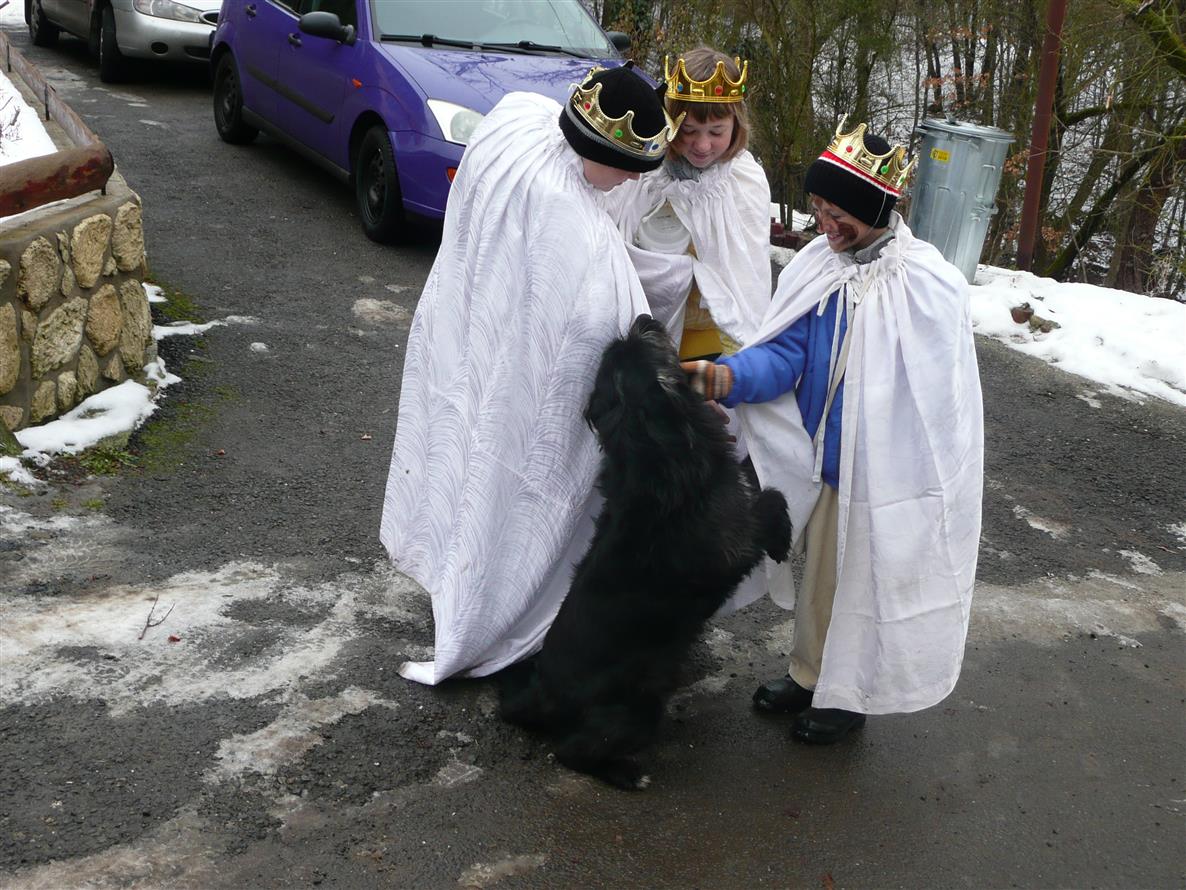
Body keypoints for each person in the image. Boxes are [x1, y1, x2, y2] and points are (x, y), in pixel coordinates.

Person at [380, 65, 685, 686]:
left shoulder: (518, 120)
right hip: (520, 379)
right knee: (512, 480)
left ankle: (454, 570)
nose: (632, 181)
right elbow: (594, 329)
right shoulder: (569, 218)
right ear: (596, 152)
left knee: (463, 454)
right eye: (627, 168)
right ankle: (491, 614)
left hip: (472, 330)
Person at [682, 117, 984, 743]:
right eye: (817, 208)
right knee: (821, 579)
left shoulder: (929, 285)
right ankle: (810, 674)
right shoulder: (820, 266)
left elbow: (940, 403)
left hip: (888, 478)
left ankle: (850, 697)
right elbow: (785, 352)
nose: (823, 223)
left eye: (836, 212)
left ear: (874, 210)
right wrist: (726, 377)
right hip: (824, 464)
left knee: (866, 588)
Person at [603, 48, 771, 363]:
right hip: (645, 341)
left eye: (716, 132)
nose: (703, 145)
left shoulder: (743, 181)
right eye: (689, 131)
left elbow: (748, 278)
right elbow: (612, 241)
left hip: (714, 344)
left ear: (736, 125)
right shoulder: (645, 173)